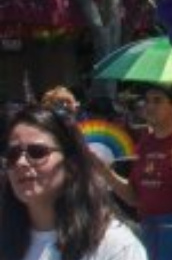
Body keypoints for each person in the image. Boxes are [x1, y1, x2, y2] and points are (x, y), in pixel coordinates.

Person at [3, 106, 146, 260]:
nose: (21, 162)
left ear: (71, 165)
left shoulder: (114, 245)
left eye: (37, 152)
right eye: (13, 154)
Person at [96, 89, 172, 260]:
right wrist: (106, 173)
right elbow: (135, 198)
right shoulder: (145, 143)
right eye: (147, 101)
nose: (150, 106)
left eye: (157, 101)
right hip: (155, 240)